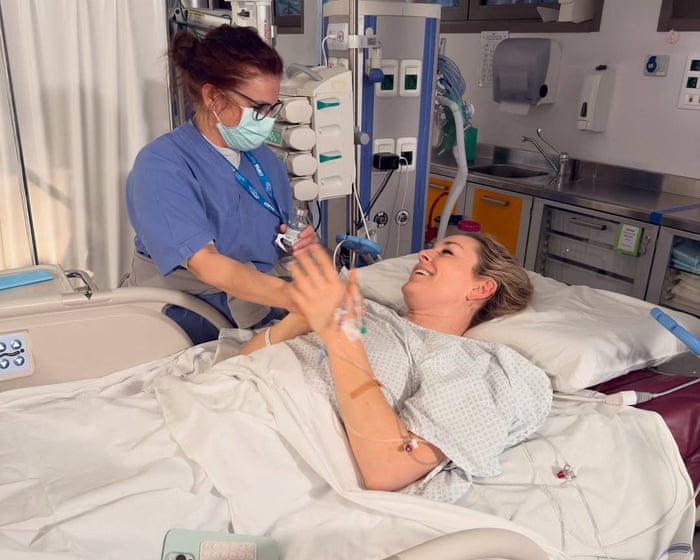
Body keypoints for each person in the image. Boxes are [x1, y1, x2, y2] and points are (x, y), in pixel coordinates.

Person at [240, 233, 552, 503]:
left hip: (259, 446)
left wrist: (340, 334)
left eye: (447, 252)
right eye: (432, 248)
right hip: (228, 396)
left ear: (481, 288)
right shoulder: (366, 310)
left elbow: (388, 468)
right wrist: (301, 318)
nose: (424, 254)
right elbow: (242, 363)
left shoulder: (470, 365)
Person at [121, 25, 317, 344]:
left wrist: (296, 245)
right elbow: (206, 264)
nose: (267, 120)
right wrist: (295, 297)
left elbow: (272, 237)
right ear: (213, 96)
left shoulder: (265, 162)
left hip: (255, 307)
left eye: (272, 108)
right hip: (181, 316)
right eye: (257, 109)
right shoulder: (161, 164)